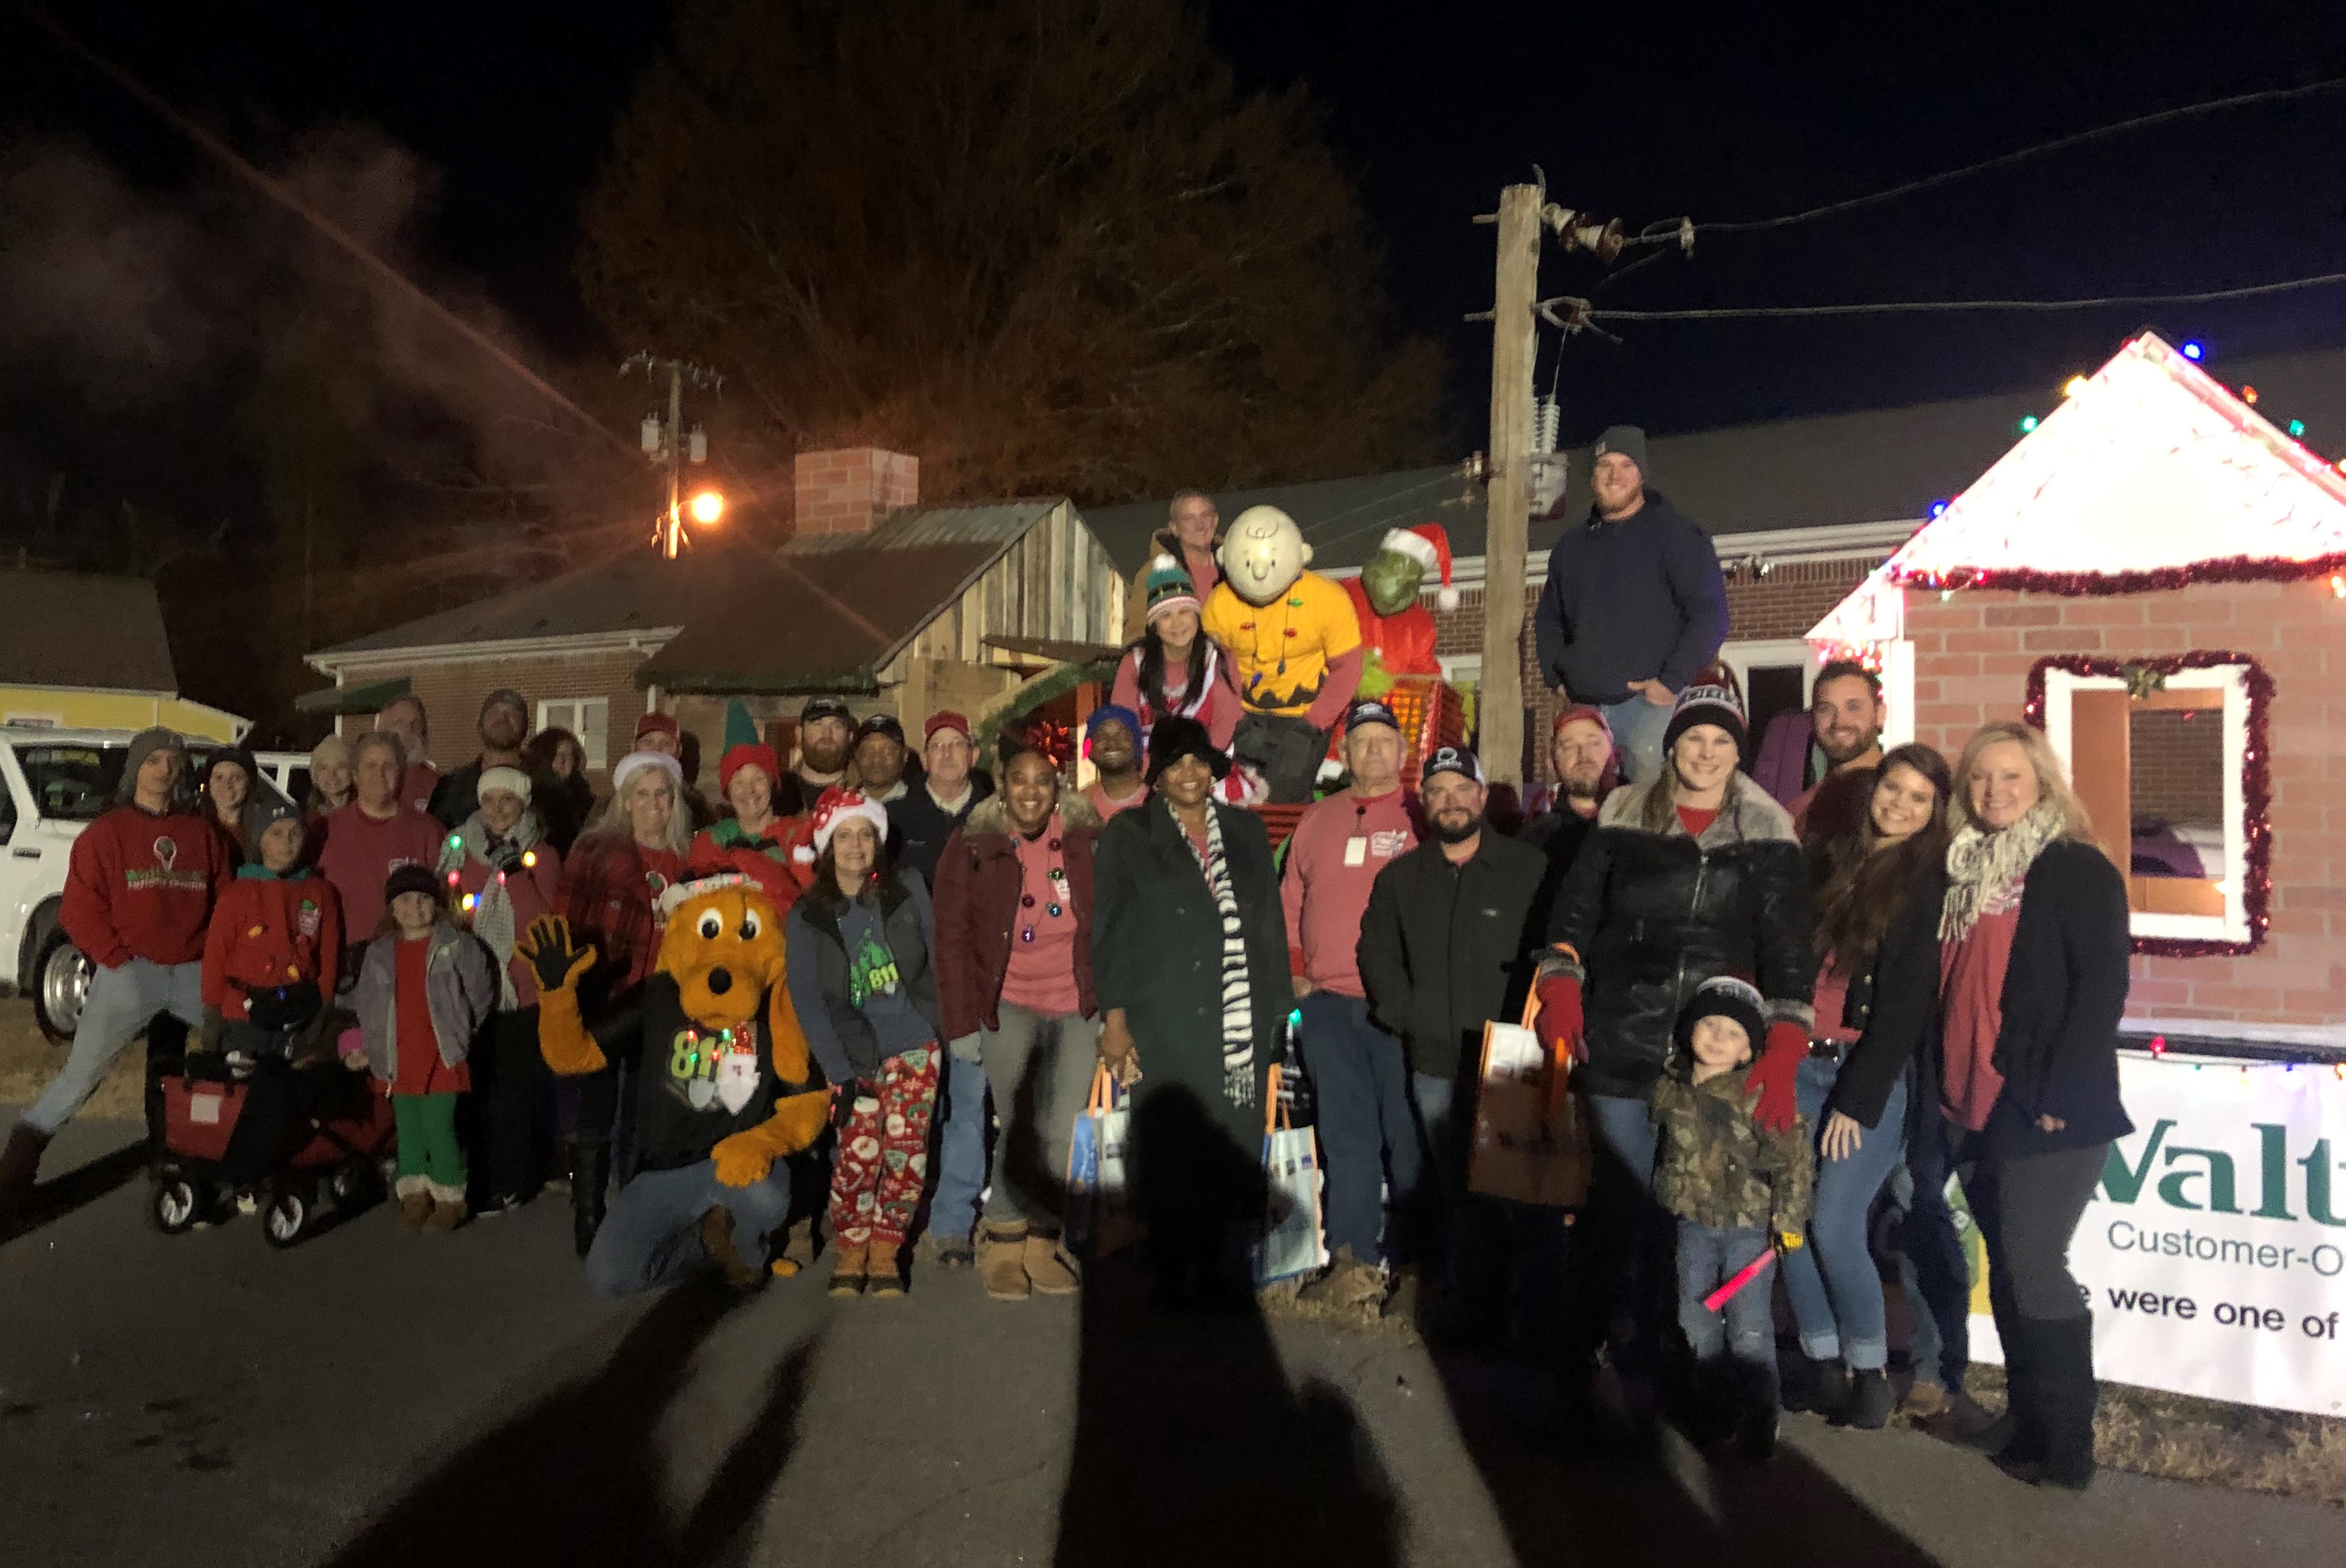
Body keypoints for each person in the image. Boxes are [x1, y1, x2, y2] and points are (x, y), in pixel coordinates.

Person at [1536, 679, 1814, 1394]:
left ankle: (1677, 1363)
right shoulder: (1626, 812)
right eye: (1695, 737)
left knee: (1693, 1213)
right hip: (1621, 1034)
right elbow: (1574, 914)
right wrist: (1562, 980)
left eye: (1722, 740)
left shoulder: (1768, 827)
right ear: (1673, 743)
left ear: (1738, 750)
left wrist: (1783, 1041)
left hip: (1714, 1048)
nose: (1707, 752)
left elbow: (1788, 947)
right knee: (1619, 1200)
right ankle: (1579, 1353)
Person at [1913, 722, 2130, 1490]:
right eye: (1979, 779)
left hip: (2042, 1104)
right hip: (1970, 1100)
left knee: (2037, 1266)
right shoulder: (1962, 870)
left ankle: (2069, 1443)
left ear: (2042, 781)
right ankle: (2028, 1418)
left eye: (2010, 777)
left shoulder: (2071, 866)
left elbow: (2102, 988)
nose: (1993, 792)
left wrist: (2061, 1095)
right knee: (2006, 1267)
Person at [1776, 743, 1951, 1427]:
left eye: (1918, 798)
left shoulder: (1922, 883)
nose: (1899, 805)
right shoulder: (1827, 861)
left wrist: (1858, 1098)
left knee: (1835, 1221)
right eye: (1893, 789)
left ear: (1934, 813)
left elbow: (1905, 1007)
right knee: (1787, 1217)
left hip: (1860, 1075)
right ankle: (1821, 1360)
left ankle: (1870, 1367)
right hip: (1795, 1062)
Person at [1090, 715, 1289, 1305]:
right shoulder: (1129, 834)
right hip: (1165, 1011)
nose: (1188, 773)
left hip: (1237, 1021)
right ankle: (1174, 1266)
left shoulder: (1246, 832)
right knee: (1173, 1140)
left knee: (1232, 1136)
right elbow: (1111, 932)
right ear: (1158, 775)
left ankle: (1224, 1264)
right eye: (1175, 762)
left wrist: (1278, 1012)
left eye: (1198, 761)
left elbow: (1269, 924)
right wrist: (1117, 1018)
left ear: (1213, 769)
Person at [1353, 745, 1548, 1330]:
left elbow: (1558, 946)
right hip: (1435, 1058)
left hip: (1509, 1058)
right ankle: (1474, 1304)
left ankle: (1532, 1310)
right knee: (1457, 1183)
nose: (1450, 800)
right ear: (1424, 806)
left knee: (1521, 1187)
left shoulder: (1526, 870)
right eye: (1436, 791)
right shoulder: (1402, 878)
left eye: (1461, 788)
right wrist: (1405, 1012)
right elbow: (1376, 949)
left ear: (1482, 797)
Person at [0, 730, 229, 1214]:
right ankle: (17, 1167)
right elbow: (79, 910)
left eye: (172, 761)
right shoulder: (106, 834)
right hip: (130, 973)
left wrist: (214, 960)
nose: (164, 770)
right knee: (82, 1076)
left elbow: (225, 906)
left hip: (192, 971)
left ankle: (214, 1152)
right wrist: (117, 960)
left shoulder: (203, 835)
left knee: (238, 1049)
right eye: (154, 761)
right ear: (135, 770)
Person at [932, 746, 1101, 1298]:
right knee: (1020, 1125)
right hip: (1008, 1004)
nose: (1031, 791)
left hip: (1074, 1004)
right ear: (1002, 786)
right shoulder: (973, 843)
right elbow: (952, 936)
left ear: (1059, 789)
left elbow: (1112, 921)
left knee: (1059, 1131)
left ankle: (1041, 1240)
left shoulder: (1084, 839)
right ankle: (1002, 1240)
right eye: (1020, 781)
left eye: (1043, 782)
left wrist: (1115, 1009)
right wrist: (961, 1024)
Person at [1280, 699, 1419, 1307]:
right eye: (1361, 741)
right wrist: (1295, 970)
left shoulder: (1422, 813)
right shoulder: (1317, 818)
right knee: (1345, 1134)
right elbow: (1290, 898)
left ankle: (1416, 1264)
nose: (1372, 751)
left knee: (1408, 1133)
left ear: (1403, 752)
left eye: (1384, 741)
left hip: (1400, 1006)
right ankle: (1353, 1258)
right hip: (1328, 1001)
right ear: (1343, 753)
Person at [785, 789, 945, 1299]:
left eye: (865, 834)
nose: (856, 845)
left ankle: (884, 1251)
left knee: (905, 1155)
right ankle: (851, 1247)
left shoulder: (908, 889)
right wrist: (837, 1069)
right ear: (829, 846)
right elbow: (808, 999)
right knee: (857, 1155)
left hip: (913, 1043)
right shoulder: (808, 913)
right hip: (853, 1053)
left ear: (878, 840)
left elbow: (938, 958)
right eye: (845, 835)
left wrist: (938, 1027)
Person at [1651, 976, 1814, 1459]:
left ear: (1749, 1051)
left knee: (1748, 1326)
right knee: (1694, 1317)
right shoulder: (1668, 1090)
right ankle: (1718, 1406)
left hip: (1748, 1230)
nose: (1719, 1037)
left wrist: (1789, 1220)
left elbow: (1792, 1159)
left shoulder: (1758, 1095)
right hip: (1691, 1225)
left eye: (1733, 1032)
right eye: (1710, 1024)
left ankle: (1761, 1412)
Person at [1532, 426, 1729, 783]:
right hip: (1586, 707)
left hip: (1651, 709)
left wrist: (1670, 682)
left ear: (1641, 474)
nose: (1614, 475)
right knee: (1585, 810)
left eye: (1625, 465)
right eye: (1605, 465)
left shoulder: (1676, 535)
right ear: (1593, 477)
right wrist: (1555, 675)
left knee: (1651, 815)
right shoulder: (1571, 547)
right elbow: (1548, 618)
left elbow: (1710, 615)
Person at [559, 748, 693, 1254]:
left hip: (661, 996)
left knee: (644, 1106)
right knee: (596, 1103)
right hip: (606, 988)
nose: (654, 804)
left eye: (663, 794)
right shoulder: (597, 852)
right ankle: (589, 1214)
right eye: (643, 794)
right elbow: (566, 922)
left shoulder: (687, 857)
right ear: (625, 800)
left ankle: (635, 1212)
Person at [197, 797, 346, 1202]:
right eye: (276, 834)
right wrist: (212, 1014)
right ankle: (240, 1172)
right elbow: (215, 956)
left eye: (295, 833)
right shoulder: (238, 894)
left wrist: (324, 1004)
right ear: (260, 841)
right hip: (243, 1013)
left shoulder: (319, 892)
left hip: (297, 1012)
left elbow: (329, 954)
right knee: (243, 1096)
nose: (287, 842)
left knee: (289, 1096)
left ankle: (282, 1165)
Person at [438, 765, 565, 1215]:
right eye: (489, 800)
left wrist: (516, 875)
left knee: (514, 1092)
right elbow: (449, 911)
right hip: (472, 988)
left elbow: (542, 924)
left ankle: (511, 1177)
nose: (497, 810)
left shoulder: (541, 855)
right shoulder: (460, 849)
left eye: (507, 801)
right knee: (475, 1088)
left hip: (520, 990)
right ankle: (478, 1171)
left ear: (523, 805)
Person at [353, 865, 497, 1230]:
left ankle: (451, 1195)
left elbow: (480, 993)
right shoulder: (380, 954)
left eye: (423, 900)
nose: (414, 908)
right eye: (404, 900)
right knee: (409, 1126)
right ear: (392, 908)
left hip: (441, 1055)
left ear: (437, 904)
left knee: (438, 1125)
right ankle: (414, 1190)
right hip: (400, 1056)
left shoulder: (456, 946)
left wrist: (463, 1032)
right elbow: (366, 1004)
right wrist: (365, 1047)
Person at [1201, 506, 1363, 804]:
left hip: (1305, 715)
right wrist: (1232, 720)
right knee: (1238, 798)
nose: (1260, 573)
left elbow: (1348, 667)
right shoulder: (1219, 604)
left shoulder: (1328, 599)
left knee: (1285, 798)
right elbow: (1216, 671)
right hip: (1247, 714)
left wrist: (1314, 724)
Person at [317, 731, 444, 980]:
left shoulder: (428, 830)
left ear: (402, 774)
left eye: (388, 766)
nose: (379, 774)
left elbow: (445, 901)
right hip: (345, 968)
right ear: (355, 775)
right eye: (370, 766)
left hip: (410, 966)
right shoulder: (326, 830)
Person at [1111, 559, 1242, 749]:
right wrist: (1154, 774)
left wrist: (1196, 770)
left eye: (1184, 612)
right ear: (1154, 626)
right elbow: (1124, 729)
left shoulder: (1219, 658)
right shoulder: (1134, 663)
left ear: (1197, 616)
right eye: (1165, 616)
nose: (1177, 623)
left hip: (1208, 765)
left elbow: (1225, 726)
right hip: (1151, 769)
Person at [1520, 706, 1617, 935]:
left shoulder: (1650, 827)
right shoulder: (1535, 842)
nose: (1583, 755)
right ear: (1552, 764)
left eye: (1594, 743)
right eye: (1568, 746)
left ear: (1614, 750)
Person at [690, 743, 812, 907]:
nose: (750, 790)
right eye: (739, 782)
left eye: (758, 779)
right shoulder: (711, 839)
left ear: (772, 784)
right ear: (728, 790)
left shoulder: (797, 834)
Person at [1790, 661, 1890, 850]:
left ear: (1880, 714)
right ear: (1812, 719)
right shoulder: (1799, 812)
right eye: (1825, 709)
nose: (1839, 721)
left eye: (1854, 707)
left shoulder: (1900, 801)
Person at [888, 711, 994, 887]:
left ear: (974, 756)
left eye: (957, 745)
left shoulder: (996, 817)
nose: (947, 754)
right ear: (924, 760)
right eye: (937, 746)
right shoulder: (894, 818)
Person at [429, 688, 538, 828]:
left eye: (513, 714)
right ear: (480, 725)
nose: (503, 719)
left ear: (526, 727)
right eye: (494, 713)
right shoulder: (452, 787)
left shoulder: (544, 786)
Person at [1123, 488, 1221, 641]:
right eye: (1189, 519)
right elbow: (1136, 634)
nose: (1200, 525)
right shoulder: (1154, 574)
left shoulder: (1237, 566)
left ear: (1215, 520)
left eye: (1205, 516)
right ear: (1174, 528)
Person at [519, 726, 595, 855]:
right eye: (554, 755)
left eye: (568, 755)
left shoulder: (585, 800)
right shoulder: (528, 798)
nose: (561, 761)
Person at [634, 712, 715, 831]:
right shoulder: (619, 801)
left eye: (665, 743)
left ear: (679, 750)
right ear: (634, 748)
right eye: (647, 742)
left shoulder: (697, 809)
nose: (656, 750)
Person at [1079, 706, 1149, 821]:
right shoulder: (1078, 810)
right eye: (1101, 736)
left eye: (1123, 735)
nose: (1112, 742)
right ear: (1090, 750)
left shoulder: (1162, 804)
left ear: (1137, 747)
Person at [377, 694, 441, 816]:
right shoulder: (369, 777)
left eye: (415, 724)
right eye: (399, 723)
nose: (408, 730)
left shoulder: (435, 782)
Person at [791, 695, 856, 805]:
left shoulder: (866, 795)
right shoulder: (777, 794)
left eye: (837, 726)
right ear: (799, 734)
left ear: (850, 737)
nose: (827, 734)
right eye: (817, 724)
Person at [203, 747, 260, 863]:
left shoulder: (263, 830)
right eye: (219, 778)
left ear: (249, 784)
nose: (227, 785)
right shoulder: (195, 827)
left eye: (237, 778)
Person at [849, 713, 913, 803]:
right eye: (868, 750)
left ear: (905, 755)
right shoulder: (841, 806)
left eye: (887, 751)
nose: (877, 759)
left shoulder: (920, 804)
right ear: (856, 755)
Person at [306, 734, 355, 823]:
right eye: (324, 768)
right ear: (315, 775)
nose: (332, 775)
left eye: (340, 767)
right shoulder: (308, 822)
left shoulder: (369, 815)